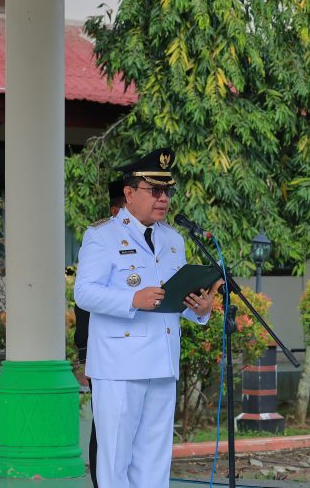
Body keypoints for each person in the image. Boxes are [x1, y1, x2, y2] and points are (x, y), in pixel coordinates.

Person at [74, 148, 223, 487]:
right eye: (154, 190)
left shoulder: (173, 239)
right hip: (119, 366)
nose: (163, 198)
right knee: (115, 459)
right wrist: (132, 299)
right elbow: (83, 293)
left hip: (161, 361)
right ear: (129, 193)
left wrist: (199, 310)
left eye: (167, 191)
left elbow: (174, 296)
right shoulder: (102, 235)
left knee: (154, 460)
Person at [73, 178, 126, 488]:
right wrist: (85, 356)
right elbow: (84, 308)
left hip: (135, 357)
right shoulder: (101, 239)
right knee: (102, 429)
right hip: (102, 355)